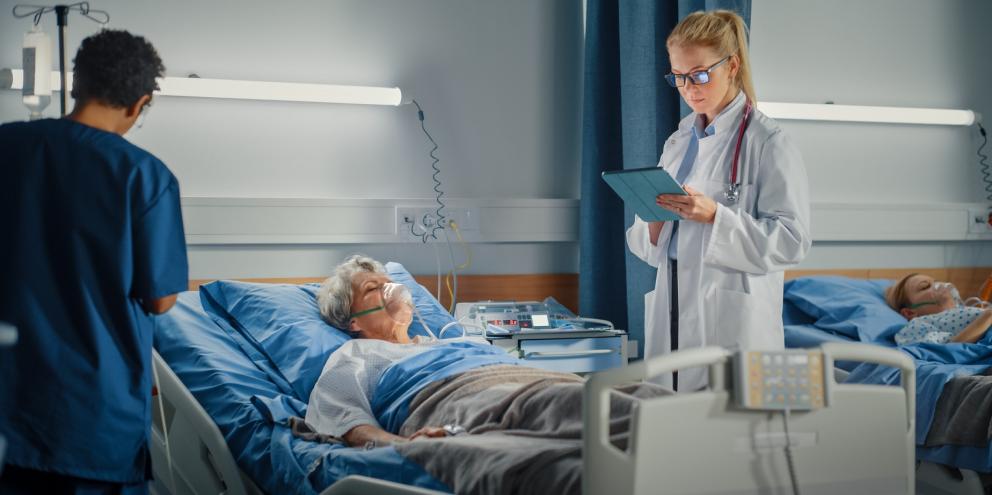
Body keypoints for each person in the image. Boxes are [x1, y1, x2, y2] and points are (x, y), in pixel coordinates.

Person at [0, 30, 188, 494]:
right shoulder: (145, 177)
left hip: (11, 399)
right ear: (139, 103)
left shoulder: (7, 146)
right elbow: (161, 299)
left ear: (74, 85)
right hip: (90, 415)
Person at [306, 255, 669, 494]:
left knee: (643, 399)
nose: (392, 290)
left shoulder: (453, 340)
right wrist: (405, 447)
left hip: (524, 380)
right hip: (463, 398)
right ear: (353, 321)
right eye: (374, 288)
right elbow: (346, 420)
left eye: (390, 282)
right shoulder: (356, 354)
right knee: (578, 413)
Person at [626, 10, 811, 392]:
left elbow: (793, 241)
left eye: (699, 74)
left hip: (731, 320)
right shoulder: (678, 143)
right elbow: (649, 245)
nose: (689, 87)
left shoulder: (768, 142)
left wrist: (715, 217)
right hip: (673, 305)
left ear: (733, 65)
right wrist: (655, 221)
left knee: (727, 439)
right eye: (678, 77)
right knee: (671, 427)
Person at [884, 273, 992, 345]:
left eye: (936, 282)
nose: (938, 285)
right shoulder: (918, 325)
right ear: (909, 312)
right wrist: (988, 316)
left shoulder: (965, 308)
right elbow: (951, 349)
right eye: (925, 287)